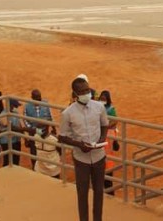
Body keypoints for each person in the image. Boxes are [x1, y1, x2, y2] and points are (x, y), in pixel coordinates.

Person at [59, 76, 109, 221]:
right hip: (81, 159)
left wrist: (101, 140)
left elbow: (105, 125)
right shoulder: (67, 113)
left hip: (99, 156)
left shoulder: (99, 107)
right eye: (83, 91)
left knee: (99, 191)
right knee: (82, 193)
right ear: (75, 94)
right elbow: (62, 136)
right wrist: (80, 145)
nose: (87, 93)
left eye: (88, 89)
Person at [24, 89, 54, 170]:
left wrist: (53, 128)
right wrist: (33, 129)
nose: (38, 99)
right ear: (32, 98)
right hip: (33, 133)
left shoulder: (45, 104)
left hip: (45, 132)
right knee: (34, 150)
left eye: (39, 97)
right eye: (36, 98)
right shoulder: (27, 106)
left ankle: (44, 167)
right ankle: (34, 166)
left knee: (45, 149)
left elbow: (50, 117)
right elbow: (25, 120)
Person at [0, 98, 25, 166]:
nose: (15, 107)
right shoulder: (3, 115)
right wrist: (27, 130)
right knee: (7, 161)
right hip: (6, 141)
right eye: (14, 105)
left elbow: (21, 125)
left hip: (16, 140)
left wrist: (25, 138)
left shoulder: (15, 112)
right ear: (10, 105)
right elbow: (12, 127)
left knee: (16, 160)